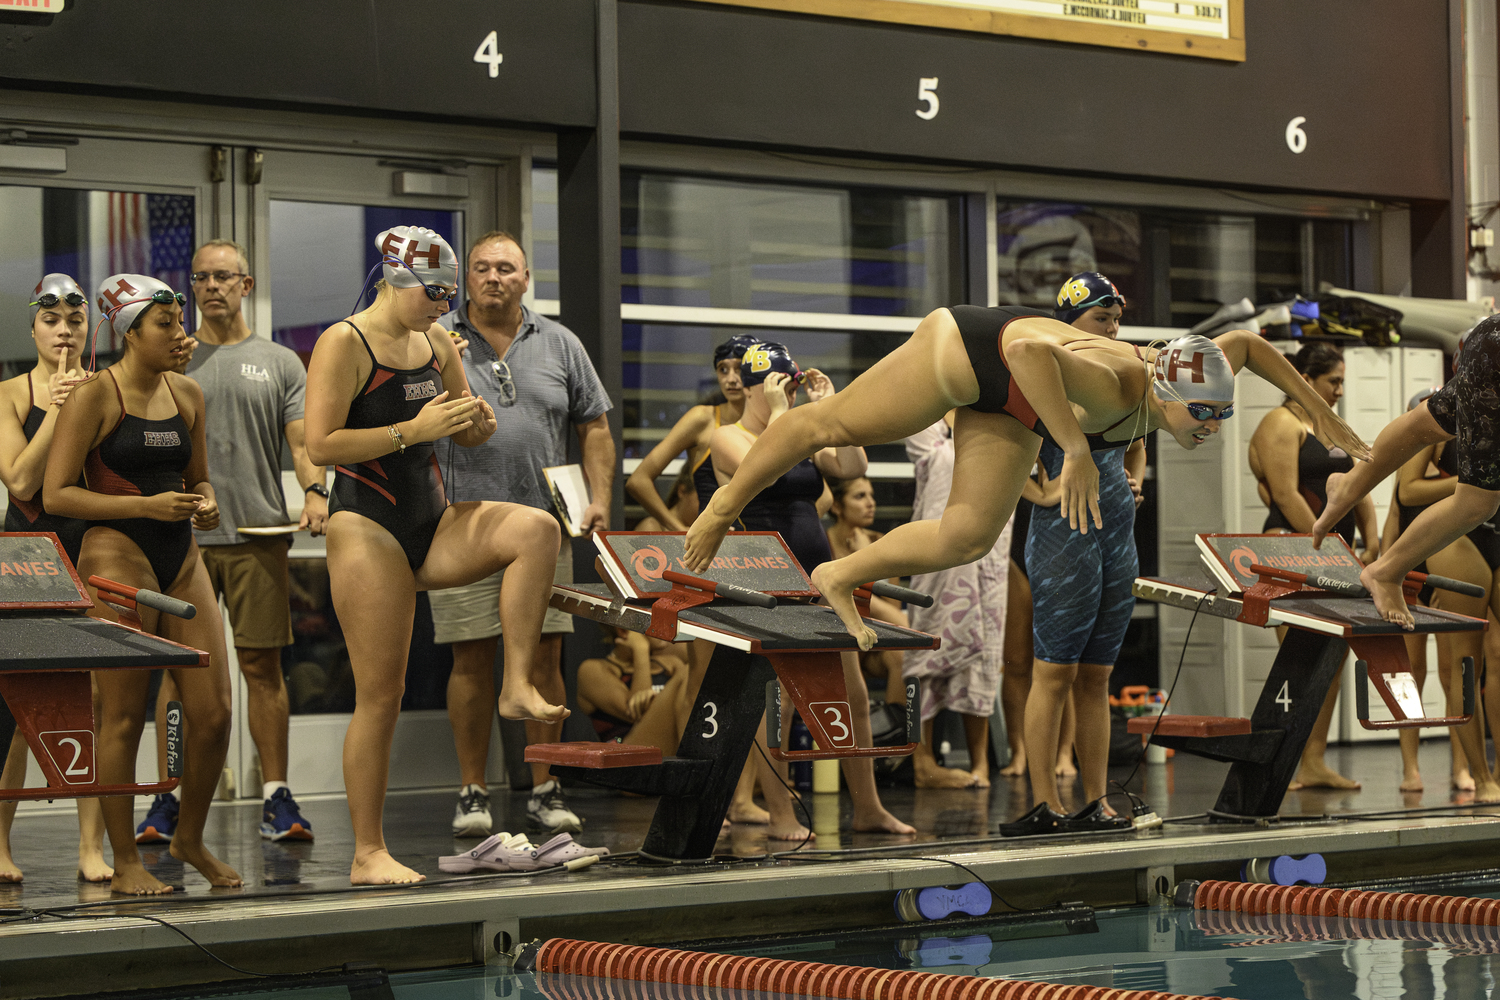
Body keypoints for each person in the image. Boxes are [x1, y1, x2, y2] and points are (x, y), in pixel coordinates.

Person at [684, 301, 1369, 653]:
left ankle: (840, 574)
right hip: (972, 351)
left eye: (1220, 416)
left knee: (968, 536)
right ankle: (720, 506)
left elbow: (1248, 345)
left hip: (1020, 402)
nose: (1212, 428)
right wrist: (1073, 447)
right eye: (1203, 418)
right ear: (1163, 397)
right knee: (829, 425)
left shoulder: (1189, 368)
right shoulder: (1118, 382)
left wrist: (1321, 417)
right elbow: (1024, 345)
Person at [305, 225, 567, 884]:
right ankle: (368, 853)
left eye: (449, 295)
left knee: (537, 530)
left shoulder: (435, 343)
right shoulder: (346, 342)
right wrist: (411, 431)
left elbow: (466, 428)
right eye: (434, 294)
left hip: (433, 514)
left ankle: (517, 682)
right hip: (367, 524)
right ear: (395, 280)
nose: (443, 307)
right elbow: (321, 445)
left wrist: (473, 425)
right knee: (382, 695)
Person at [45, 273, 241, 895]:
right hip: (116, 557)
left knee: (213, 714)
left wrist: (205, 504)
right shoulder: (95, 396)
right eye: (167, 325)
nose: (180, 334)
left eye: (180, 323)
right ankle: (125, 859)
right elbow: (57, 494)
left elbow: (200, 477)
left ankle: (188, 837)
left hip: (181, 557)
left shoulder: (188, 394)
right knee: (122, 716)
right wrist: (144, 509)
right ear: (131, 333)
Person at [132, 240, 329, 847]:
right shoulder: (169, 361)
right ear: (190, 289)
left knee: (262, 667)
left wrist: (317, 491)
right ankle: (165, 798)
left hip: (255, 533)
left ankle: (277, 799)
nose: (212, 286)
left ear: (245, 285)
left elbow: (301, 444)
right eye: (201, 278)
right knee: (174, 671)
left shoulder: (279, 362)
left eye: (224, 277)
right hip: (176, 541)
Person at [428, 230, 613, 840]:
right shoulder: (436, 341)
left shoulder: (560, 342)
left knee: (547, 656)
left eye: (506, 268)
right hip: (462, 527)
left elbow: (595, 429)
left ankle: (546, 786)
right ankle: (471, 790)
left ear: (525, 278)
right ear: (465, 280)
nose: (493, 277)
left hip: (544, 529)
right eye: (482, 268)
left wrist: (602, 498)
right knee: (472, 657)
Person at [712, 341, 913, 838]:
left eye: (793, 386)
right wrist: (788, 417)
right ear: (756, 387)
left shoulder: (798, 429)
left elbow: (852, 467)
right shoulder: (726, 438)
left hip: (821, 573)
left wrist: (832, 409)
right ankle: (780, 812)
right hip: (767, 577)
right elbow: (768, 468)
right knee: (776, 701)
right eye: (779, 387)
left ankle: (868, 807)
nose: (788, 395)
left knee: (853, 694)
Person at [1002, 273, 1150, 836]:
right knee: (1054, 672)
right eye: (1100, 319)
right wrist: (1038, 493)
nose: (1113, 329)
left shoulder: (1114, 377)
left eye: (1116, 319)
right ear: (1069, 322)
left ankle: (1095, 801)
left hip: (1117, 530)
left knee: (1097, 676)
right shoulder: (1038, 377)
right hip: (1063, 532)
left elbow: (1136, 442)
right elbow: (992, 446)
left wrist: (1135, 483)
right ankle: (1044, 804)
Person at [0, 273, 110, 883]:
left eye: (74, 321)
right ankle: (0, 843)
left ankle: (91, 847)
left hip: (83, 549)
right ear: (34, 328)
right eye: (51, 321)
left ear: (89, 328)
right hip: (23, 558)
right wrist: (58, 410)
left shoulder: (100, 390)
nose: (63, 332)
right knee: (13, 707)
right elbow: (18, 481)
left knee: (86, 702)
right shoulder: (9, 394)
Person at [1311, 315, 1500, 630]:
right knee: (1478, 502)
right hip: (1491, 351)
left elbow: (1419, 427)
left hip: (1490, 341)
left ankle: (1348, 487)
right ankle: (1386, 571)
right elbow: (1406, 491)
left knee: (1428, 422)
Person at [1246, 342, 1376, 793]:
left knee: (1331, 659)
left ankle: (1314, 761)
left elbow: (1360, 484)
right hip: (1294, 549)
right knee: (1301, 659)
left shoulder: (1329, 425)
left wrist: (1372, 540)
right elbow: (1284, 495)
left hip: (1336, 555)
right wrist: (1332, 552)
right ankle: (1286, 756)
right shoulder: (1279, 423)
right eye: (1332, 381)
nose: (1340, 390)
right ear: (1305, 378)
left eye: (1341, 381)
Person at [1388, 387, 1500, 801]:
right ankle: (1459, 772)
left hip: (1492, 533)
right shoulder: (1443, 416)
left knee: (1491, 657)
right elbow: (1403, 496)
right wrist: (1471, 481)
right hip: (1453, 541)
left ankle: (1483, 769)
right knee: (1445, 665)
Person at [901, 417, 1006, 789]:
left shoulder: (1000, 415)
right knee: (923, 652)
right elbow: (937, 460)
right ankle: (923, 761)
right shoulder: (929, 417)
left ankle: (981, 762)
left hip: (988, 553)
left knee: (984, 657)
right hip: (936, 551)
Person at [577, 629, 692, 757]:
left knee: (691, 672)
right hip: (624, 753)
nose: (663, 627)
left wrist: (653, 698)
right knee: (689, 672)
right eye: (654, 619)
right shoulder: (593, 670)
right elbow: (636, 711)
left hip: (668, 745)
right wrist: (640, 650)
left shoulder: (671, 663)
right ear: (622, 631)